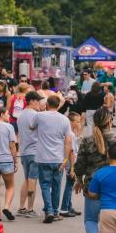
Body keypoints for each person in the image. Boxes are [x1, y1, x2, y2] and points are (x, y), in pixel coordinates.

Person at [73, 107, 116, 233]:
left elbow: (79, 165)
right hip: (115, 187)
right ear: (109, 121)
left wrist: (78, 179)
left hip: (93, 186)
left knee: (91, 220)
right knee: (111, 224)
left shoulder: (87, 141)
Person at [30, 93, 72, 222]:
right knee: (57, 186)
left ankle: (48, 210)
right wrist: (66, 159)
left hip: (43, 157)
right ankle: (55, 211)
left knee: (44, 185)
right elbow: (68, 141)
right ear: (59, 105)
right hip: (58, 157)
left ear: (47, 104)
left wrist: (41, 111)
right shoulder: (65, 119)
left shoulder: (40, 116)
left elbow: (31, 127)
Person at [15, 90, 44, 217]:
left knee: (26, 180)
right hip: (35, 151)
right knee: (33, 180)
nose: (39, 103)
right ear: (32, 101)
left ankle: (21, 207)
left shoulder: (20, 115)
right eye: (38, 100)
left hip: (24, 151)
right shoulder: (35, 115)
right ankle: (30, 209)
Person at [60, 111, 82, 217]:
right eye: (77, 122)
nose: (79, 124)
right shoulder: (71, 134)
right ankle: (64, 208)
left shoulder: (72, 134)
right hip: (71, 163)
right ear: (71, 122)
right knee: (69, 185)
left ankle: (69, 206)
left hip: (71, 162)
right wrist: (72, 168)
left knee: (70, 184)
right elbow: (71, 152)